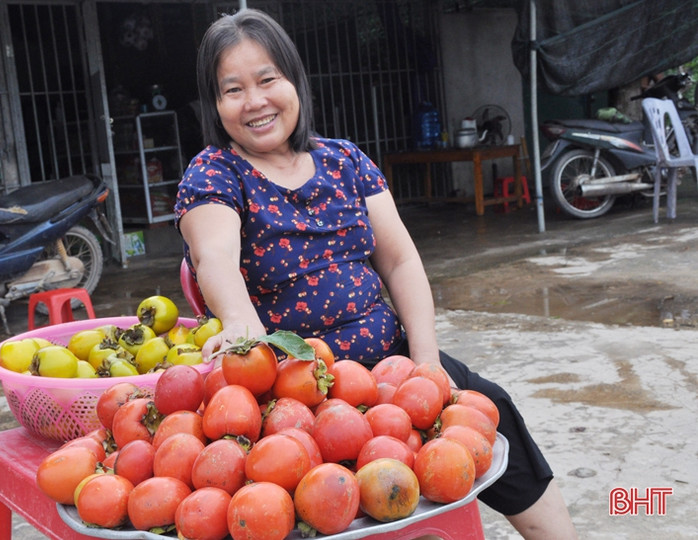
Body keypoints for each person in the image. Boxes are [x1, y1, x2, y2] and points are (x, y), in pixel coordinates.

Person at [174, 8, 578, 540]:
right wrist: (242, 323)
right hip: (298, 387)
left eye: (268, 79)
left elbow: (400, 260)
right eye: (232, 89)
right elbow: (215, 256)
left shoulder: (346, 160)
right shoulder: (214, 173)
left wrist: (427, 361)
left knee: (490, 409)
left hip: (391, 357)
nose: (255, 101)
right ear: (215, 102)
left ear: (294, 79)